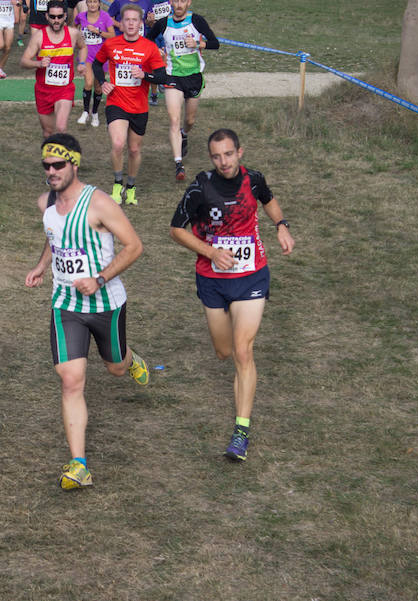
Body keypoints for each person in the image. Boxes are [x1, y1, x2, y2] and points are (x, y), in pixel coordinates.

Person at [25, 134, 150, 490]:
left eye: (58, 165)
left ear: (74, 164)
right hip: (66, 304)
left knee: (115, 368)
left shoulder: (99, 203)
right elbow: (55, 238)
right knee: (70, 380)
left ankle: (129, 358)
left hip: (106, 303)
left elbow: (134, 246)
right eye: (46, 166)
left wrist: (99, 278)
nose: (51, 172)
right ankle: (79, 465)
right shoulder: (45, 204)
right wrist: (41, 266)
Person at [169, 129, 295, 461]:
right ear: (210, 158)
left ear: (240, 151)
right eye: (216, 156)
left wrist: (281, 225)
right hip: (212, 279)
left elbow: (268, 199)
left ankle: (241, 432)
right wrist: (210, 252)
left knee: (242, 351)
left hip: (251, 274)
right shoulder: (200, 186)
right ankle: (240, 405)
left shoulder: (253, 180)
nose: (223, 161)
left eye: (228, 154)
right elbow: (176, 229)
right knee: (224, 351)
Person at [92, 3, 172, 206]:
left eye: (134, 20)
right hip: (116, 102)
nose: (130, 23)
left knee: (134, 150)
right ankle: (117, 185)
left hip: (139, 106)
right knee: (118, 144)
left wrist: (144, 75)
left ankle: (131, 186)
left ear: (140, 23)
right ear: (122, 21)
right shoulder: (111, 44)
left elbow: (162, 76)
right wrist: (103, 82)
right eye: (126, 19)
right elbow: (96, 63)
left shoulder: (149, 47)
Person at [146, 0, 219, 181]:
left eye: (182, 1)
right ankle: (179, 164)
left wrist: (198, 44)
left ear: (188, 2)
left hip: (193, 77)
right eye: (176, 1)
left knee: (190, 120)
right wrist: (158, 51)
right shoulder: (163, 23)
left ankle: (184, 134)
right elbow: (147, 41)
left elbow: (215, 43)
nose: (179, 5)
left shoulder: (197, 21)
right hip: (172, 76)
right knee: (174, 119)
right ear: (171, 3)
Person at [20, 0, 88, 138]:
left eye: (59, 17)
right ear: (46, 17)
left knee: (61, 128)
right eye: (52, 17)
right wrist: (38, 64)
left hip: (64, 89)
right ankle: (51, 157)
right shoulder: (39, 37)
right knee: (48, 133)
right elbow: (23, 61)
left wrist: (81, 62)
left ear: (65, 16)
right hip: (43, 91)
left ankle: (62, 159)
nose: (56, 21)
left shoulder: (73, 34)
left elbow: (83, 47)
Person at [73, 0, 115, 127]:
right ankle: (85, 111)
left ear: (99, 4)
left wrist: (98, 32)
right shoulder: (81, 16)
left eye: (94, 2)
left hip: (101, 58)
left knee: (97, 87)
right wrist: (77, 36)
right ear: (86, 3)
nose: (92, 4)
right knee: (88, 82)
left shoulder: (105, 17)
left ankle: (95, 113)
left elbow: (112, 35)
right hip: (86, 56)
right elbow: (73, 28)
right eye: (90, 2)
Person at [0, 0, 19, 77]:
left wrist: (16, 5)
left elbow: (18, 3)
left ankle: (0, 69)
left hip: (9, 19)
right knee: (0, 46)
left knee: (8, 47)